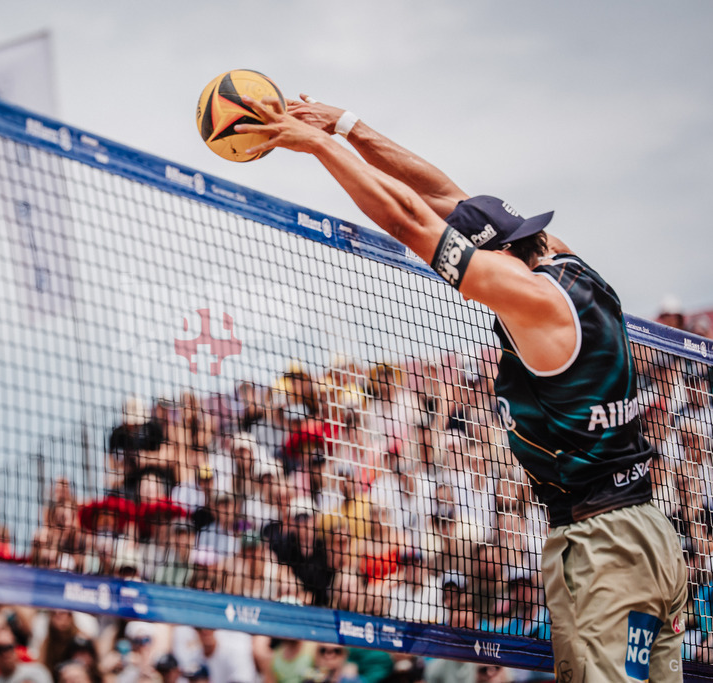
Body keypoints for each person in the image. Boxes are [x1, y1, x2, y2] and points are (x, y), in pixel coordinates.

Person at [236, 96, 688, 680]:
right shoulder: (570, 264)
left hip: (604, 544)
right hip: (648, 530)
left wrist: (317, 146)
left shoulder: (532, 301)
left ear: (496, 256)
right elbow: (447, 195)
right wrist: (346, 127)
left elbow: (409, 221)